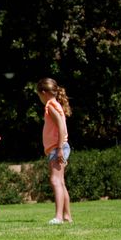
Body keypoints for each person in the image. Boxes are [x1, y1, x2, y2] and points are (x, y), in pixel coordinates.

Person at [36, 78, 72, 225]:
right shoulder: (55, 104)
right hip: (59, 147)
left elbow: (61, 127)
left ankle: (58, 217)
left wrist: (59, 150)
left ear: (43, 93)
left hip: (58, 148)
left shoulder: (50, 105)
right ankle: (67, 216)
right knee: (61, 182)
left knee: (55, 180)